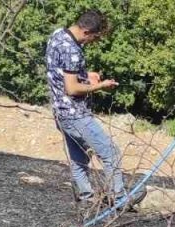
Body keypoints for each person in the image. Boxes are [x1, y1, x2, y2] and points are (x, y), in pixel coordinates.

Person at [45, 9, 123, 202]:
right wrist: (100, 86)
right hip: (75, 114)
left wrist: (86, 76)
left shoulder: (58, 35)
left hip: (59, 111)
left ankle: (86, 196)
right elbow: (71, 89)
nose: (93, 42)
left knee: (79, 158)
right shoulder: (72, 50)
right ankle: (119, 198)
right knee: (111, 153)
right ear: (86, 31)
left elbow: (60, 72)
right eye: (94, 38)